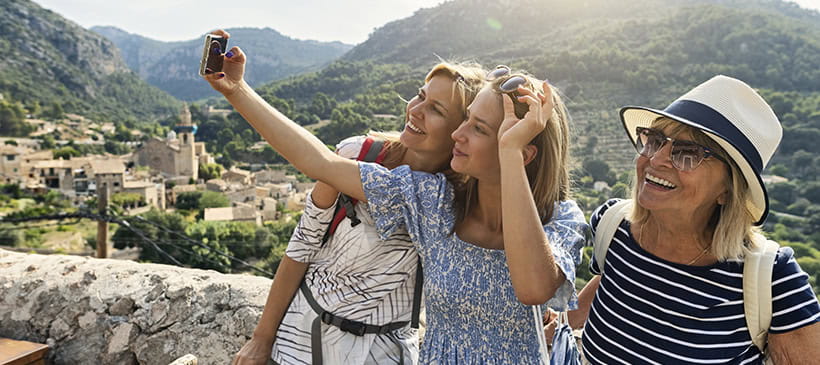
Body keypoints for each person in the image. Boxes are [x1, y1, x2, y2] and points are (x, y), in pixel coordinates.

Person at [204, 28, 587, 362]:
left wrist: (510, 155)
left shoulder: (561, 221)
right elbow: (320, 161)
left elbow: (533, 287)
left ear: (523, 153)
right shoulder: (435, 204)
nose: (458, 134)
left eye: (479, 129)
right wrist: (237, 90)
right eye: (465, 120)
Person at [223, 33, 487, 365]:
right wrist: (262, 338)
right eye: (420, 95)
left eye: (435, 109)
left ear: (459, 132)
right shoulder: (358, 154)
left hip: (385, 354)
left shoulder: (452, 201)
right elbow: (303, 245)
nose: (416, 110)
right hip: (303, 340)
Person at [577, 75, 820, 364]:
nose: (656, 160)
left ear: (727, 190)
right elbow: (610, 287)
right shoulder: (613, 227)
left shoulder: (774, 280)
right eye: (654, 141)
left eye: (687, 153)